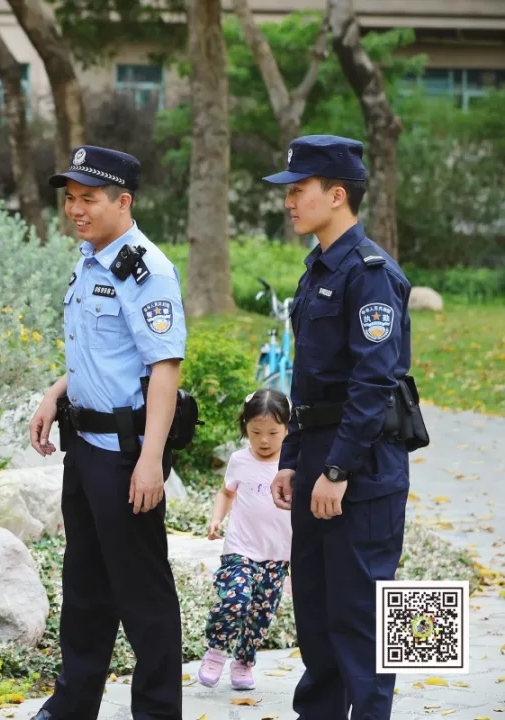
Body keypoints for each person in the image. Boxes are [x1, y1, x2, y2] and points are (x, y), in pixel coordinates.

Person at [27, 145, 186, 720]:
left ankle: (158, 713)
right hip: (85, 449)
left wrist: (151, 460)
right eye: (71, 198)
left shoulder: (147, 270)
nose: (76, 209)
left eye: (89, 198)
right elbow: (102, 355)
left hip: (126, 455)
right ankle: (71, 707)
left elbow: (164, 367)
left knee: (143, 596)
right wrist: (55, 393)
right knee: (85, 587)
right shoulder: (92, 259)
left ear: (124, 202)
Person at [262, 135, 414, 720]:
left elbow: (373, 382)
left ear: (337, 194)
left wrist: (336, 468)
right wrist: (293, 461)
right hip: (320, 457)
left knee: (363, 618)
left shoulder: (371, 274)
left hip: (363, 465)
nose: (289, 201)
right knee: (318, 615)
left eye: (298, 190)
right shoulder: (318, 270)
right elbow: (309, 381)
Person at [197, 389, 293, 691]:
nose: (263, 440)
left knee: (260, 615)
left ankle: (243, 662)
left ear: (288, 429)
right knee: (236, 600)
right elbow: (226, 493)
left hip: (277, 555)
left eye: (273, 433)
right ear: (245, 428)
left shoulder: (293, 465)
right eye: (255, 432)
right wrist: (216, 518)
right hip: (240, 548)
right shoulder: (239, 460)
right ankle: (216, 651)